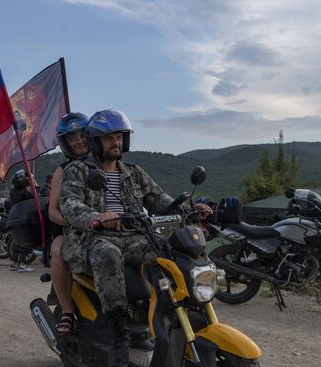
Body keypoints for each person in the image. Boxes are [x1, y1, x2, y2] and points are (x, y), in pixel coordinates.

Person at [59, 109, 211, 366]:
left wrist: (188, 210)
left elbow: (158, 200)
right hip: (91, 238)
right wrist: (97, 216)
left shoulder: (133, 172)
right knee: (108, 254)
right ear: (96, 141)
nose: (116, 143)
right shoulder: (78, 170)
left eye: (119, 137)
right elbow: (69, 204)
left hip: (131, 235)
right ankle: (119, 334)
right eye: (109, 138)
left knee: (165, 251)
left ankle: (166, 311)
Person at [47, 112, 90, 335]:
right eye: (72, 138)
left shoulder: (105, 164)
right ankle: (67, 311)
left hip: (108, 227)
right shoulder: (62, 170)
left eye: (82, 134)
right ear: (65, 143)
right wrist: (78, 222)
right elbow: (53, 211)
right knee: (57, 251)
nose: (79, 140)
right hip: (71, 229)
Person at [8, 170, 38, 273]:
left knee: (17, 241)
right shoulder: (24, 193)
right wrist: (34, 184)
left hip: (15, 218)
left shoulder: (13, 192)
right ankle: (23, 264)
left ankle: (15, 263)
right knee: (26, 242)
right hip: (25, 218)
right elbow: (36, 198)